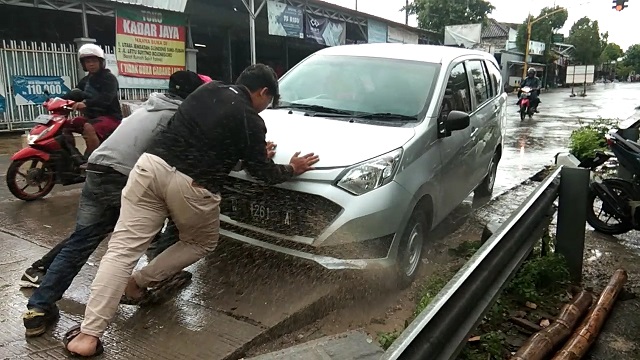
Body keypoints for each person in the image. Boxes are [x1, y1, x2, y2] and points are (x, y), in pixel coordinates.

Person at [63, 64, 320, 357]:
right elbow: (263, 173)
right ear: (263, 92)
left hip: (150, 168)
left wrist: (250, 152)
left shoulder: (207, 90)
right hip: (193, 185)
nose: (266, 107)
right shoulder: (250, 119)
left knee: (120, 251)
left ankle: (88, 335)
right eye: (269, 100)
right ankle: (140, 282)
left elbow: (205, 140)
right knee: (200, 242)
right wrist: (291, 167)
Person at [21, 70, 208, 338]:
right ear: (193, 96)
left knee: (81, 242)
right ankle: (157, 276)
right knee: (164, 225)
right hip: (123, 177)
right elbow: (188, 159)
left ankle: (37, 309)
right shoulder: (178, 118)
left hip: (97, 169)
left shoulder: (148, 107)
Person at [63, 44, 123, 161]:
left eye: (94, 61)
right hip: (91, 118)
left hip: (110, 117)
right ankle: (73, 157)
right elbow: (73, 95)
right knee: (64, 126)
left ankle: (91, 161)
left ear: (101, 62)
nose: (91, 64)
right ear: (84, 64)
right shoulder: (85, 81)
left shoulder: (109, 78)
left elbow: (106, 98)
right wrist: (55, 100)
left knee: (88, 128)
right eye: (88, 61)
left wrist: (86, 104)